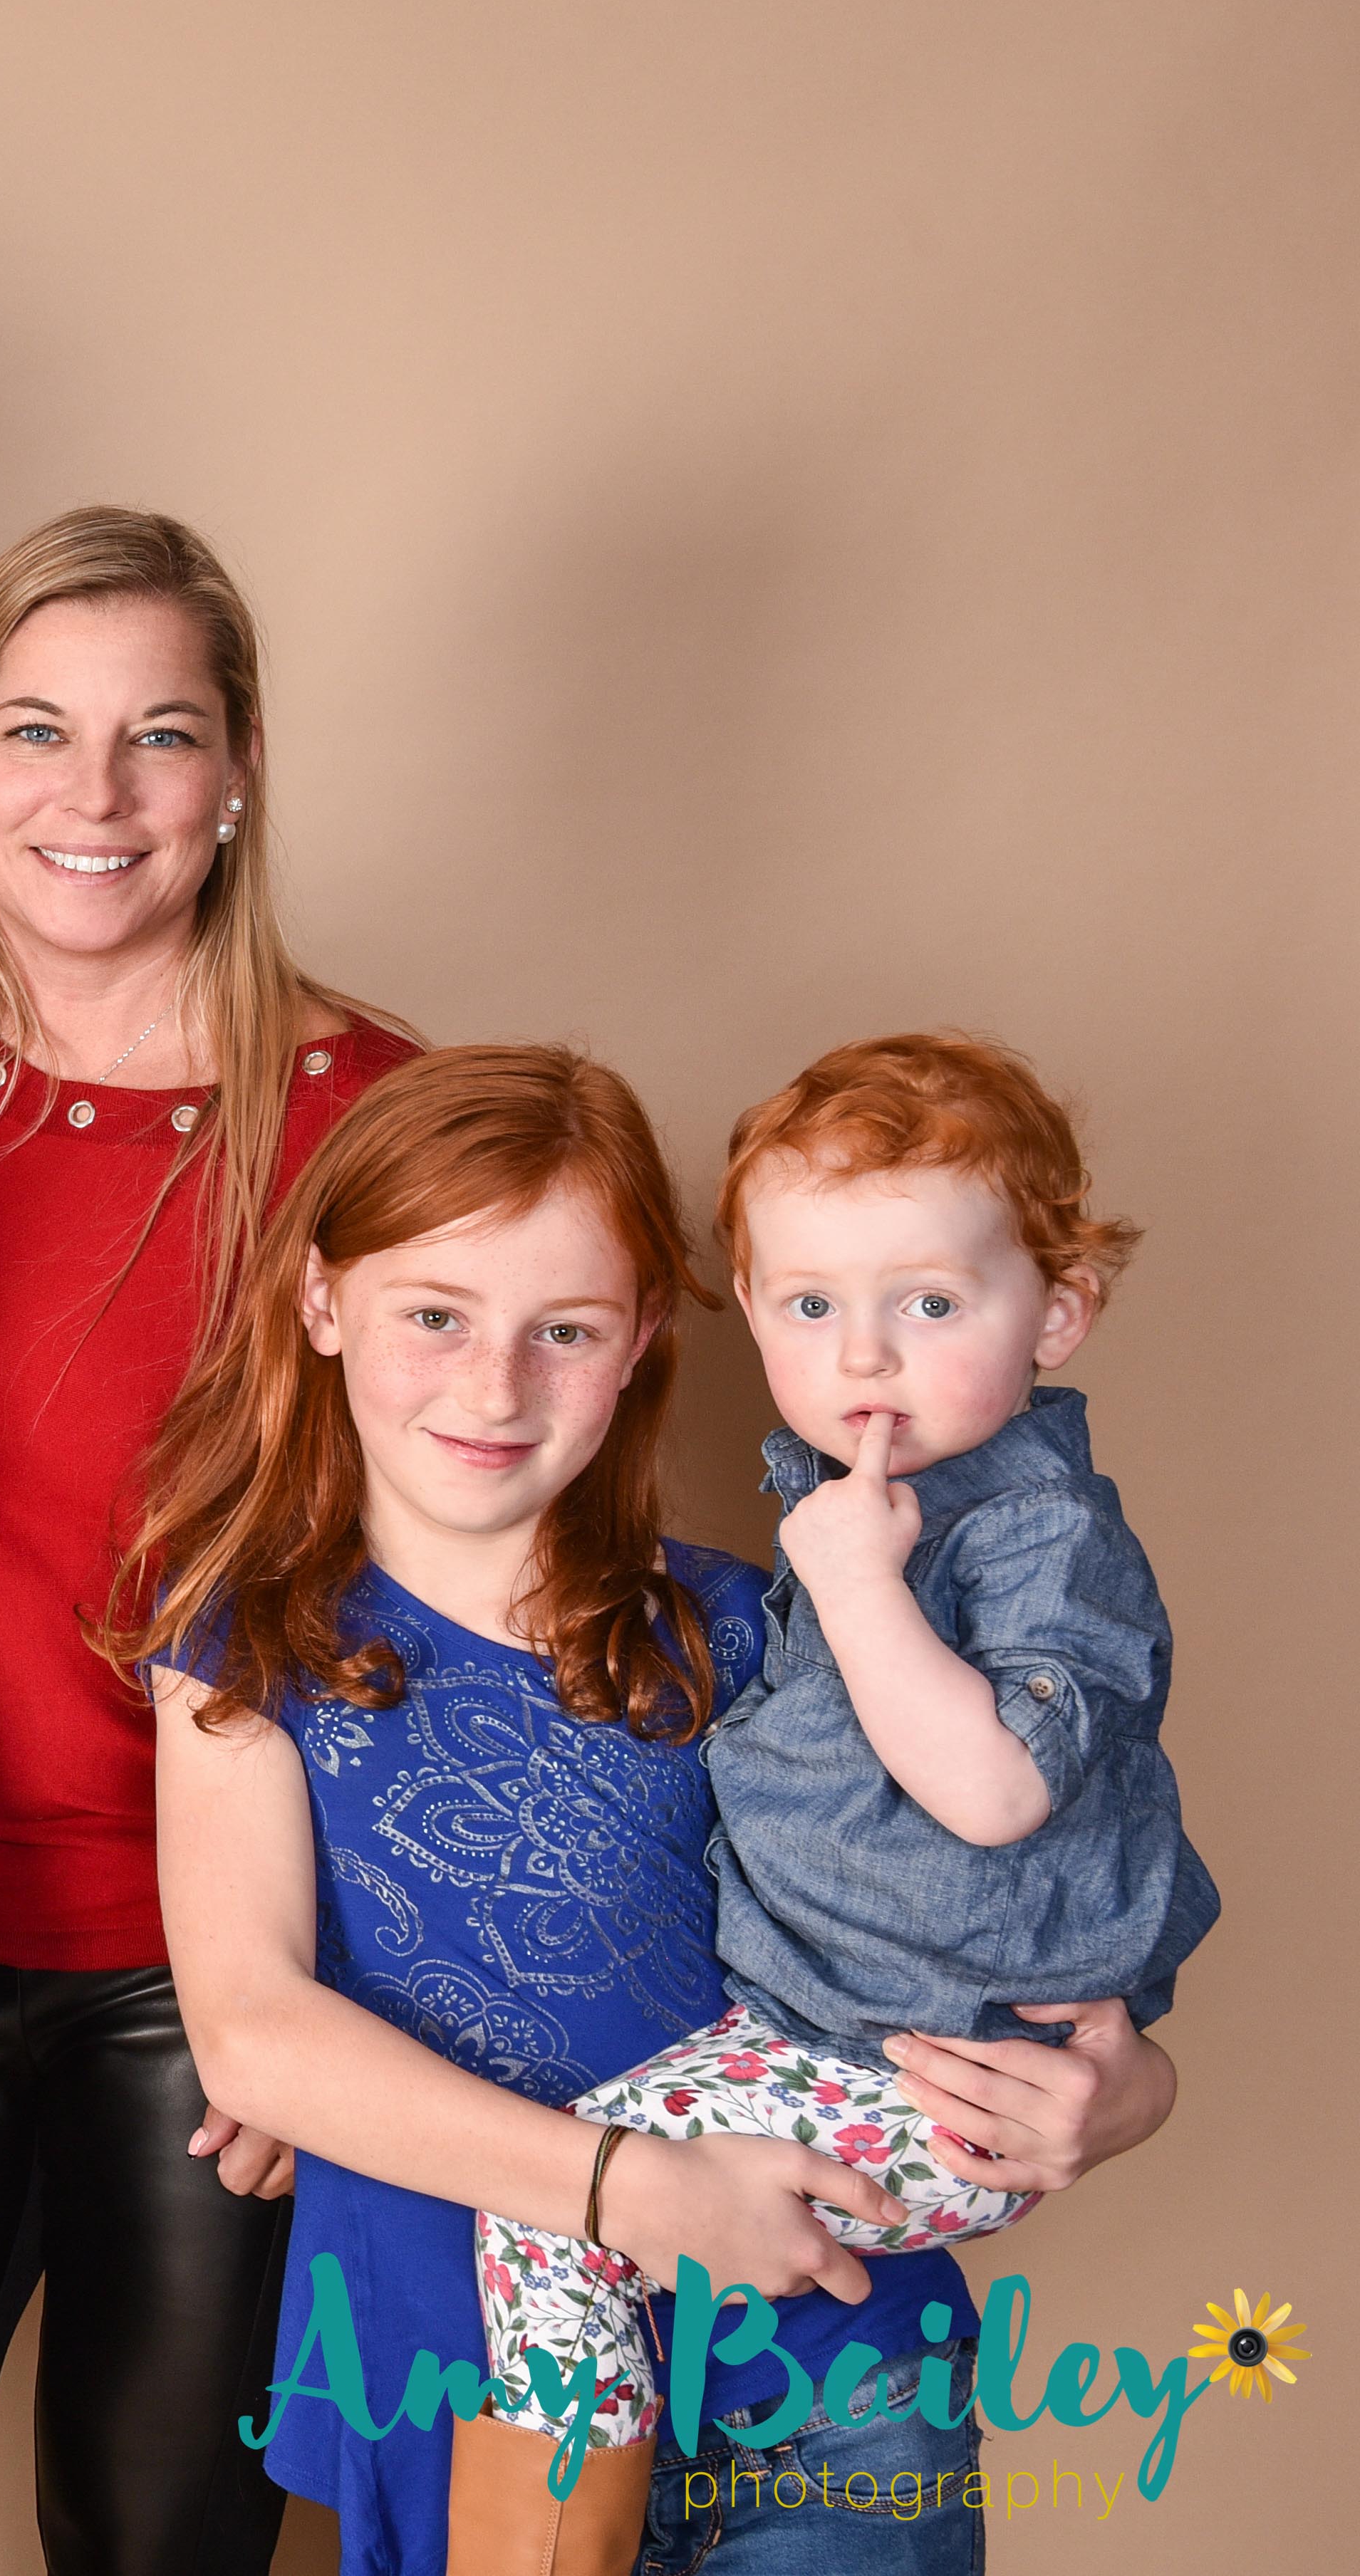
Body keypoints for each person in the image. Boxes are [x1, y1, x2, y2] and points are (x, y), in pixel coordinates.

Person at [136, 1045, 1180, 2575]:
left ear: (639, 1338)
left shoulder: (758, 1622)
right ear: (321, 1300)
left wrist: (1128, 2083)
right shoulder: (243, 1641)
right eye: (434, 1315)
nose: (492, 1385)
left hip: (822, 2343)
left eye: (561, 1329)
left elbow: (994, 1889)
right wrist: (633, 2186)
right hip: (469, 2368)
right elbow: (253, 2028)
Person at [0, 506, 412, 2571]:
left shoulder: (372, 1121)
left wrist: (329, 1999)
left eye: (163, 734)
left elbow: (460, 1578)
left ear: (236, 779)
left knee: (164, 2546)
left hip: (210, 1971)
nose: (97, 794)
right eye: (37, 730)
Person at [458, 1032, 1216, 2538]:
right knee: (586, 2195)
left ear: (1057, 1312)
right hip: (836, 2044)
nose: (862, 1358)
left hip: (928, 2080)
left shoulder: (1038, 1534)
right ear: (750, 1309)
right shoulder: (857, 1513)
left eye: (927, 1303)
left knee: (558, 2200)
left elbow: (998, 1789)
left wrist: (859, 1590)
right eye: (811, 1306)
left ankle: (549, 2549)